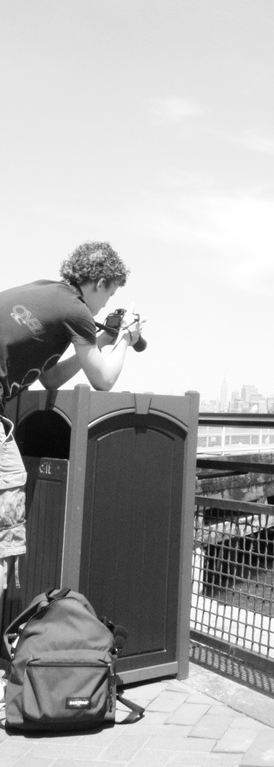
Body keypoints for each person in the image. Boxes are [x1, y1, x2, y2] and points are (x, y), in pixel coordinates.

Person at [0, 241, 144, 615]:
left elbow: (49, 378)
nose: (104, 305)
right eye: (109, 293)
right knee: (5, 522)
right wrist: (125, 341)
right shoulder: (76, 310)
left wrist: (101, 340)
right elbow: (104, 380)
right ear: (98, 283)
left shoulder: (46, 293)